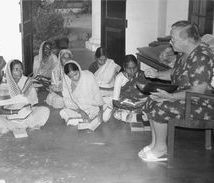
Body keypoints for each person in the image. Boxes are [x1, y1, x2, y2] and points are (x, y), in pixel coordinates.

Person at [139, 21, 214, 162]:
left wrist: (171, 97)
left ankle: (161, 149)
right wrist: (157, 74)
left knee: (161, 105)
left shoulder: (201, 57)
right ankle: (155, 143)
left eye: (173, 40)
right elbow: (176, 72)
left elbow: (198, 91)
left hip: (203, 104)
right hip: (187, 96)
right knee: (152, 99)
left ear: (187, 40)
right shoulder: (185, 52)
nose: (170, 43)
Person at [0, 59, 50, 136]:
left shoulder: (27, 81)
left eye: (21, 69)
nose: (20, 71)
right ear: (10, 71)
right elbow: (0, 110)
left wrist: (26, 107)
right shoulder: (4, 85)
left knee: (45, 110)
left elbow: (33, 101)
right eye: (16, 69)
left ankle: (20, 125)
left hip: (26, 114)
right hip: (10, 116)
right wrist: (15, 112)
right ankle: (20, 126)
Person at [59, 60, 104, 126]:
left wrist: (101, 110)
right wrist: (80, 111)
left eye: (76, 74)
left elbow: (97, 93)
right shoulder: (66, 80)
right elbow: (67, 99)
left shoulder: (88, 76)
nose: (74, 78)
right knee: (63, 112)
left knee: (104, 116)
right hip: (77, 108)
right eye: (71, 76)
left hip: (91, 106)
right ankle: (83, 119)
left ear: (79, 69)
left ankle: (80, 120)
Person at [89, 47, 121, 122]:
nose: (103, 62)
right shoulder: (92, 67)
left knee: (116, 98)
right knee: (92, 100)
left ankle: (105, 108)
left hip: (110, 90)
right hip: (98, 91)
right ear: (96, 58)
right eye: (100, 60)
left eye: (105, 59)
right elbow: (90, 82)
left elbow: (118, 76)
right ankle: (105, 108)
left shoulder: (111, 63)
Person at [112, 55, 148, 122]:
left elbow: (147, 93)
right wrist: (131, 107)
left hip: (140, 102)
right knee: (117, 113)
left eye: (134, 68)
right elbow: (115, 101)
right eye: (129, 68)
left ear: (137, 66)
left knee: (150, 101)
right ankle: (138, 116)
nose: (132, 71)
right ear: (124, 68)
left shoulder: (142, 75)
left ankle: (133, 116)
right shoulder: (120, 77)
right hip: (127, 103)